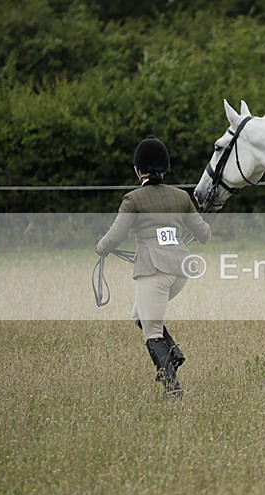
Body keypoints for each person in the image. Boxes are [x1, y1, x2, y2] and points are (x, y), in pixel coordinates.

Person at [96, 136, 211, 399]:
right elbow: (204, 234)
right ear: (165, 168)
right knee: (139, 314)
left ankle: (173, 390)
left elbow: (115, 236)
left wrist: (100, 248)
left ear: (139, 170)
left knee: (152, 331)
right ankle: (174, 353)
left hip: (154, 271)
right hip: (180, 271)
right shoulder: (181, 197)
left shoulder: (133, 200)